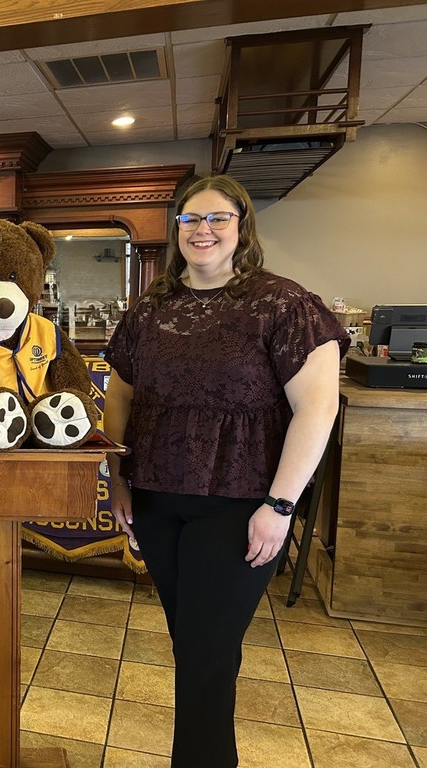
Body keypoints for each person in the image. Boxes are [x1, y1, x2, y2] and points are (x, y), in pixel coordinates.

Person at [103, 175, 349, 767]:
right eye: (190, 219)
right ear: (176, 230)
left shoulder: (284, 304)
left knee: (207, 654)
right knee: (193, 647)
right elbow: (120, 399)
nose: (203, 230)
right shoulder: (150, 309)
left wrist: (282, 505)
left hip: (243, 503)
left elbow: (318, 407)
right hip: (158, 498)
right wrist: (116, 480)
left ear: (242, 227)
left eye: (217, 218)